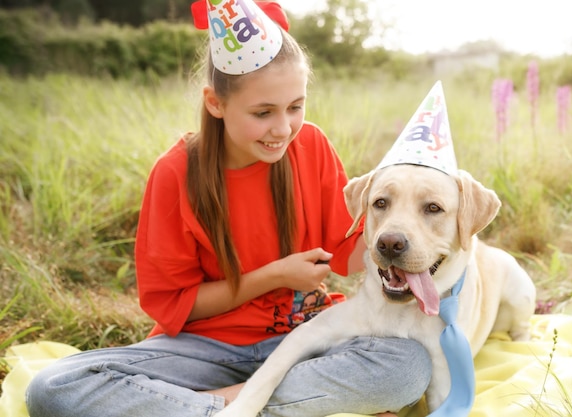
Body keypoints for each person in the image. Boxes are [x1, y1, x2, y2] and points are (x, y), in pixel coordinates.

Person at [25, 1, 432, 416]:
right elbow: (176, 305)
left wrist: (414, 232)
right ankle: (249, 404)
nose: (283, 129)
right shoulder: (176, 173)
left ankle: (220, 405)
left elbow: (349, 257)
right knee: (53, 387)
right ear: (216, 103)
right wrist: (274, 276)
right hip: (205, 348)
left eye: (295, 106)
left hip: (302, 337)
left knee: (408, 368)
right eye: (263, 113)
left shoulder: (311, 146)